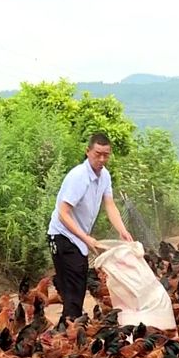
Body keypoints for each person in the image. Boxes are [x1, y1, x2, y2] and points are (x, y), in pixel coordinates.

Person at [46, 132, 133, 320]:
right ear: (88, 151)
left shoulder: (105, 176)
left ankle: (69, 330)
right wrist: (86, 238)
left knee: (76, 287)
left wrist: (122, 230)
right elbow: (63, 213)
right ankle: (70, 331)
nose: (102, 159)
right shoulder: (78, 177)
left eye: (106, 155)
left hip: (77, 238)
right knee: (74, 290)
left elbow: (109, 205)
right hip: (62, 236)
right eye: (97, 154)